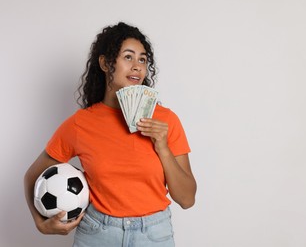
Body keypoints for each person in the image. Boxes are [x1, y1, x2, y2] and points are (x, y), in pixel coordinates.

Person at [24, 22, 197, 247]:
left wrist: (162, 147)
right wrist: (40, 223)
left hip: (154, 236)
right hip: (97, 234)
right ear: (105, 63)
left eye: (142, 59)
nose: (137, 66)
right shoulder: (81, 124)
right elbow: (32, 176)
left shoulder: (166, 121)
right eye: (128, 57)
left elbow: (187, 199)